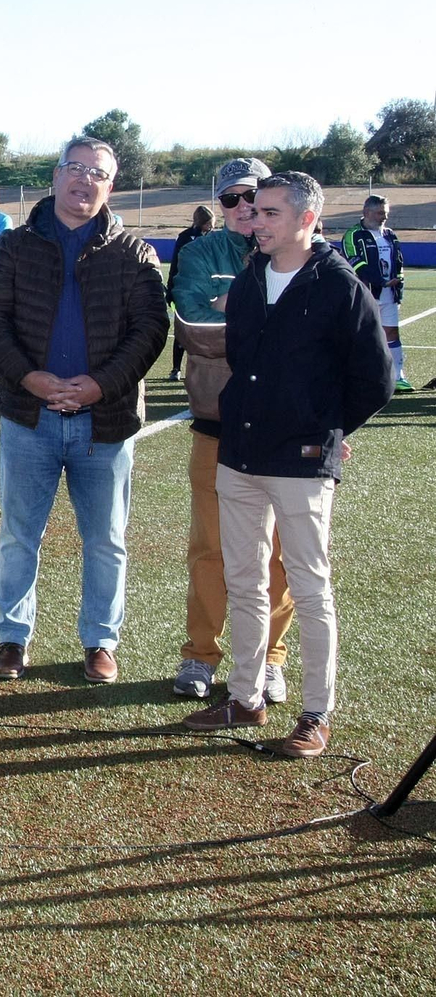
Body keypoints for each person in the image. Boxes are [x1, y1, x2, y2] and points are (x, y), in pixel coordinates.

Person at [184, 172, 393, 756]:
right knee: (244, 578)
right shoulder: (251, 278)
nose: (257, 220)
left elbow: (376, 379)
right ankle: (245, 697)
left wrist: (327, 430)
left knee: (308, 584)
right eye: (254, 210)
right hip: (239, 455)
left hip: (300, 462)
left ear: (306, 219)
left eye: (271, 212)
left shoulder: (337, 285)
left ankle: (315, 714)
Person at [0, 137, 168, 684]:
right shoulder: (14, 247)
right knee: (18, 534)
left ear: (111, 187)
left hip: (104, 422)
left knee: (106, 538)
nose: (85, 180)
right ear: (56, 176)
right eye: (76, 168)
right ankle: (12, 637)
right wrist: (31, 378)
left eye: (99, 174)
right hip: (27, 417)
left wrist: (98, 386)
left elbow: (151, 329)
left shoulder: (133, 252)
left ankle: (100, 641)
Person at [169, 159, 293, 702]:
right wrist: (264, 310)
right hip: (217, 424)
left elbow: (327, 338)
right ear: (218, 205)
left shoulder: (300, 255)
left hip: (290, 430)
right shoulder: (200, 253)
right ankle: (200, 655)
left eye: (255, 197)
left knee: (279, 555)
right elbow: (195, 327)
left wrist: (233, 310)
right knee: (211, 548)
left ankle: (270, 659)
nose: (244, 208)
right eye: (231, 199)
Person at [342, 195, 411, 393]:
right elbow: (355, 261)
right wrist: (379, 281)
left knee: (391, 332)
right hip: (364, 293)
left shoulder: (390, 234)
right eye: (381, 213)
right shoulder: (353, 234)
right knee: (361, 335)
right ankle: (359, 377)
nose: (384, 217)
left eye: (386, 213)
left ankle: (398, 376)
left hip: (389, 293)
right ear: (367, 212)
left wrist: (397, 282)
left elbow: (398, 261)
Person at [165, 203, 214, 380]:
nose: (211, 226)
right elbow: (175, 265)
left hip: (207, 292)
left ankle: (201, 369)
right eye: (209, 222)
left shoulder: (214, 238)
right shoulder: (185, 237)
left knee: (205, 330)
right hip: (185, 291)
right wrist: (171, 288)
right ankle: (176, 369)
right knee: (182, 330)